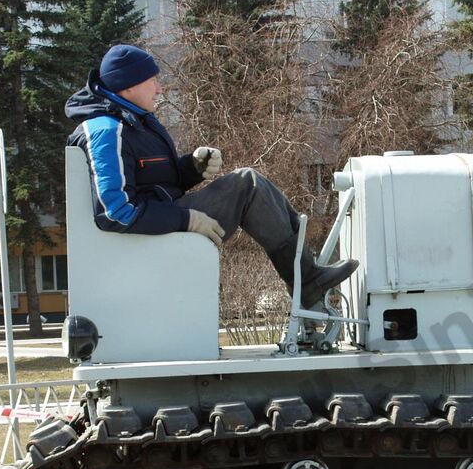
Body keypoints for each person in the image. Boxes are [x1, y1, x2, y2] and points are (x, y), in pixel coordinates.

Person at [66, 44, 358, 308]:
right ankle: (308, 282)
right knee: (247, 184)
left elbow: (156, 185)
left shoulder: (131, 121)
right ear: (128, 86)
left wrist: (191, 169)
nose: (160, 89)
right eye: (152, 81)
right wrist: (187, 219)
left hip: (157, 227)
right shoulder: (107, 131)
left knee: (251, 183)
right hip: (147, 240)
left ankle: (308, 278)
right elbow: (114, 212)